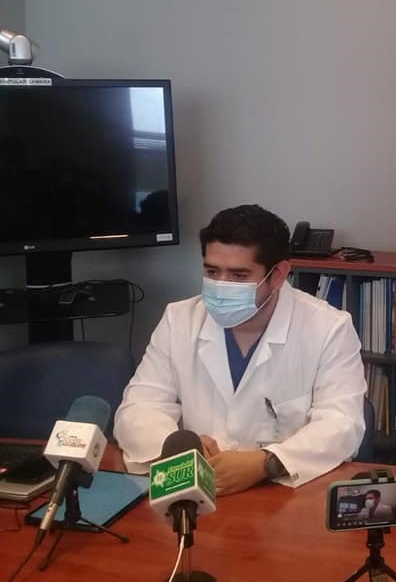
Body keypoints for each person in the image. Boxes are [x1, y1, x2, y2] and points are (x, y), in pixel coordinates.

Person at [114, 204, 366, 494]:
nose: (221, 286)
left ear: (278, 274)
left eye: (238, 275)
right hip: (194, 488)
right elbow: (138, 409)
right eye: (212, 271)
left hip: (281, 493)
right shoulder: (179, 320)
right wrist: (179, 451)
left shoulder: (328, 328)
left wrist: (265, 463)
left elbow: (342, 424)